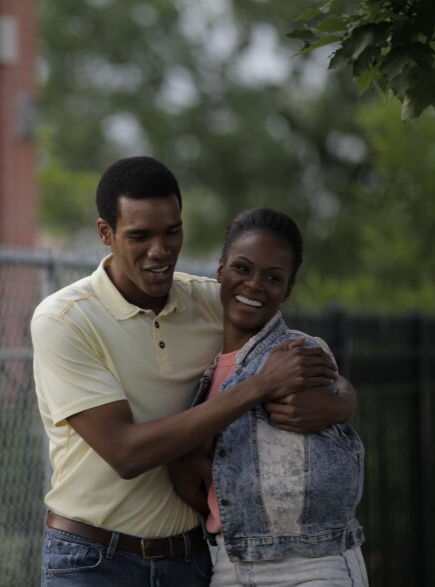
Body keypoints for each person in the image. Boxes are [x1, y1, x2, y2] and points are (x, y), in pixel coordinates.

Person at [31, 156, 356, 586]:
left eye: (172, 231)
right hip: (93, 560)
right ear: (105, 234)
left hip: (189, 560)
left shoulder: (211, 302)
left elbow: (298, 358)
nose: (160, 251)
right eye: (140, 236)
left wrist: (342, 400)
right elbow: (125, 453)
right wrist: (257, 387)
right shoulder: (65, 320)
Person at [169, 207, 367, 586]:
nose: (255, 284)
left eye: (273, 277)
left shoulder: (297, 355)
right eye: (243, 268)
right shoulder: (202, 370)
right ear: (221, 268)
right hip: (231, 564)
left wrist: (342, 399)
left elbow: (330, 472)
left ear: (287, 289)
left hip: (311, 564)